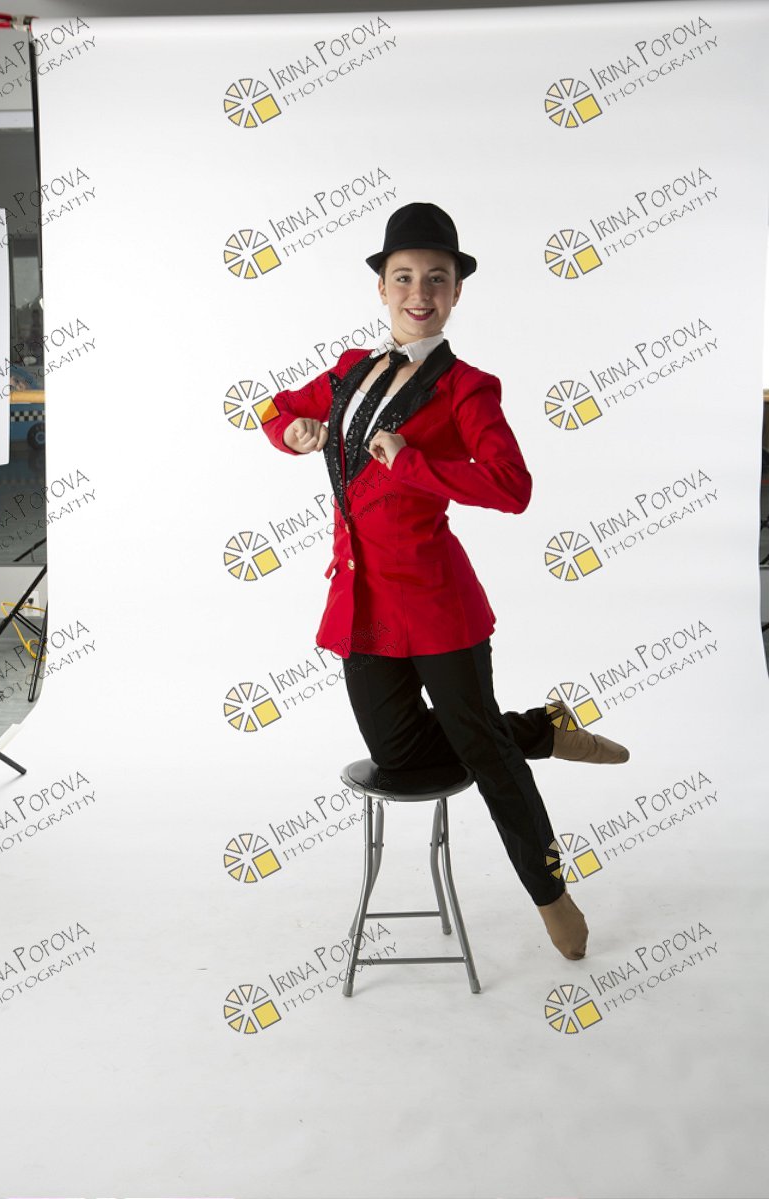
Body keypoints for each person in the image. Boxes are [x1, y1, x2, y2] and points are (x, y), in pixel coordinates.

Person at [261, 203, 629, 960]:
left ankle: (551, 894)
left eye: (437, 278)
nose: (419, 293)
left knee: (488, 762)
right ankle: (538, 730)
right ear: (382, 288)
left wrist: (413, 462)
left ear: (457, 291)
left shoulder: (467, 388)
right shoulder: (348, 372)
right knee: (401, 756)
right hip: (361, 607)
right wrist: (291, 433)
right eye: (403, 278)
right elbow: (276, 409)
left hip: (438, 606)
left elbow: (512, 486)